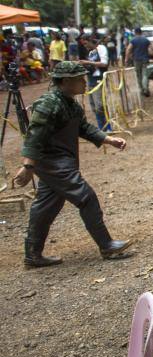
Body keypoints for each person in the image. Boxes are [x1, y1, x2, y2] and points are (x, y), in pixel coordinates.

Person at [11, 62, 133, 267]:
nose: (85, 83)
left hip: (60, 162)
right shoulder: (49, 104)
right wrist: (28, 166)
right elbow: (35, 135)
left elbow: (83, 128)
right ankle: (106, 244)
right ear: (66, 81)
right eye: (80, 79)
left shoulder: (71, 104)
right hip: (52, 162)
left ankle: (33, 254)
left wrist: (108, 139)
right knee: (86, 197)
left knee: (46, 207)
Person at [78, 35, 110, 131]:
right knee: (94, 107)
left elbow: (104, 63)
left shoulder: (101, 48)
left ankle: (108, 128)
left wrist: (87, 62)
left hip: (99, 80)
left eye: (85, 43)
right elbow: (91, 66)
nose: (85, 46)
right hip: (91, 80)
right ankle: (102, 128)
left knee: (100, 105)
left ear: (90, 41)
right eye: (83, 44)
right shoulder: (91, 52)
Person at [125, 27, 153, 96]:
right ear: (141, 32)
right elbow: (152, 49)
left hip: (136, 60)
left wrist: (126, 58)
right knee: (145, 74)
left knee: (138, 75)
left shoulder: (133, 40)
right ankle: (146, 89)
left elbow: (128, 49)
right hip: (145, 60)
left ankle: (141, 90)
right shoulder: (146, 40)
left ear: (135, 32)